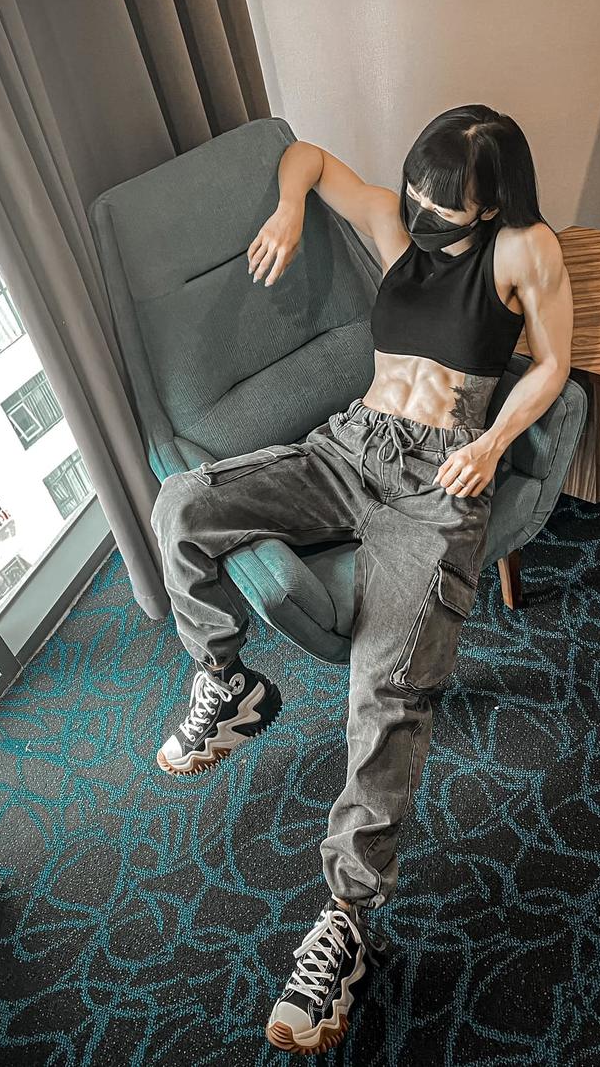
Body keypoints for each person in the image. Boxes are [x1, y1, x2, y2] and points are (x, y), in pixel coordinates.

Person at [149, 105, 574, 1056]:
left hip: (439, 481)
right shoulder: (391, 221)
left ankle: (341, 922)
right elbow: (305, 155)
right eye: (416, 187)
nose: (419, 210)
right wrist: (289, 207)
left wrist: (493, 443)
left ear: (490, 203)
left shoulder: (522, 250)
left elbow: (554, 364)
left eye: (443, 203)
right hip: (349, 448)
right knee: (182, 505)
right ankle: (225, 680)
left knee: (386, 691)